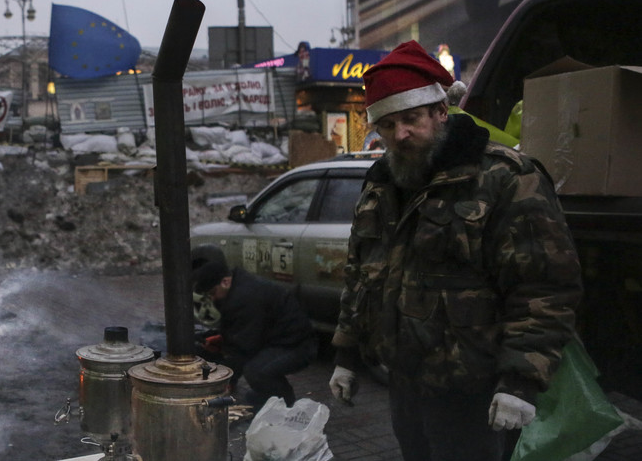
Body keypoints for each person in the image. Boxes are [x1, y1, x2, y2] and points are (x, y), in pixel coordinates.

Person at [327, 40, 583, 461]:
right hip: (405, 382)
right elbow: (361, 273)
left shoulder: (505, 177)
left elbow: (543, 285)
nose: (399, 134)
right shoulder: (381, 182)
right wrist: (346, 353)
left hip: (475, 390)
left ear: (441, 111)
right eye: (387, 125)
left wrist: (520, 382)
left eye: (410, 119)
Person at [191, 244, 318, 408]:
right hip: (278, 339)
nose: (213, 299)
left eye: (213, 293)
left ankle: (285, 404)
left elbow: (244, 348)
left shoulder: (245, 298)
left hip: (298, 346)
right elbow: (240, 331)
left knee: (257, 371)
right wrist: (221, 339)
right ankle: (266, 396)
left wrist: (223, 378)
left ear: (225, 282)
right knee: (250, 365)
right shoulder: (236, 285)